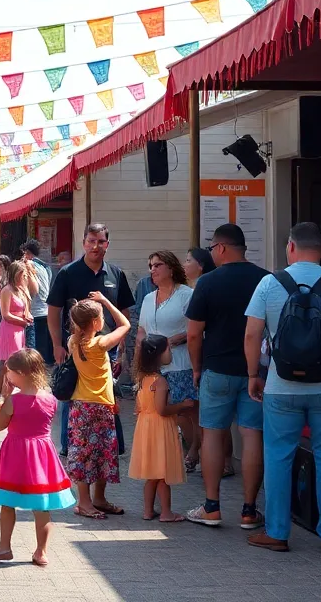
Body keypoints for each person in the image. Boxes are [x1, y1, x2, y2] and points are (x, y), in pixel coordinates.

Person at [245, 222, 321, 553]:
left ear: (290, 247)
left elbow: (252, 334)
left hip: (281, 388)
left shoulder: (269, 284)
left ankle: (278, 532)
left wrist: (254, 373)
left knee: (279, 456)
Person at [184, 223, 269, 529]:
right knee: (252, 435)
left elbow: (194, 334)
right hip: (256, 374)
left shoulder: (208, 282)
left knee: (212, 435)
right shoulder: (266, 279)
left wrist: (196, 367)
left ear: (220, 248)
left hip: (216, 368)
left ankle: (211, 507)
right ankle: (248, 510)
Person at [0, 349, 75, 567]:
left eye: (10, 372)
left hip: (16, 453)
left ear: (21, 373)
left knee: (7, 501)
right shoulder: (50, 398)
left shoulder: (14, 400)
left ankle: (4, 546)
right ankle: (41, 551)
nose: (7, 376)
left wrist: (3, 398)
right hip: (42, 454)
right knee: (42, 505)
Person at [47, 223, 135, 456]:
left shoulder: (116, 273)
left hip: (109, 347)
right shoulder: (68, 272)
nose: (96, 246)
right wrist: (56, 344)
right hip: (77, 348)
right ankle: (70, 445)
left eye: (101, 241)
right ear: (83, 242)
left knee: (107, 394)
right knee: (71, 393)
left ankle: (107, 445)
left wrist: (123, 347)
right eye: (91, 241)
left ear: (108, 244)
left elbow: (124, 312)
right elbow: (53, 310)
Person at [66, 297, 129, 519]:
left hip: (84, 407)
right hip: (96, 407)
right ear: (95, 322)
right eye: (101, 317)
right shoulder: (99, 344)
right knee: (97, 453)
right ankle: (85, 503)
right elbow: (125, 325)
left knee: (91, 453)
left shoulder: (73, 341)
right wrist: (108, 303)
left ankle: (97, 500)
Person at [136, 251, 199, 471]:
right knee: (172, 411)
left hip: (181, 361)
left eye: (158, 265)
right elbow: (142, 331)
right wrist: (140, 361)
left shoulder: (186, 295)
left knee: (189, 410)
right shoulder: (147, 298)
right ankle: (188, 448)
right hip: (155, 365)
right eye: (150, 265)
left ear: (171, 269)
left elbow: (196, 328)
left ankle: (194, 450)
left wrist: (172, 340)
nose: (152, 269)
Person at [129, 334, 191, 522]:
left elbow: (138, 407)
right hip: (160, 429)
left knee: (152, 476)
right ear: (159, 355)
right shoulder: (160, 382)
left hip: (146, 428)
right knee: (163, 474)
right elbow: (162, 409)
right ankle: (166, 512)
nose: (170, 352)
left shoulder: (142, 380)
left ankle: (148, 511)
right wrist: (183, 406)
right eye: (168, 349)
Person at [0, 260, 34, 397]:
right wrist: (22, 321)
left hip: (20, 329)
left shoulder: (21, 290)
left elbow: (26, 309)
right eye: (22, 275)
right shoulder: (7, 290)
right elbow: (5, 314)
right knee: (11, 362)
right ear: (15, 274)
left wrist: (27, 317)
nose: (24, 278)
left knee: (15, 361)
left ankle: (5, 391)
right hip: (10, 329)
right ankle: (5, 393)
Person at [20, 240, 53, 364]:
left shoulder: (28, 266)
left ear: (27, 253)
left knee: (35, 346)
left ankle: (37, 370)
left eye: (23, 253)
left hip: (34, 310)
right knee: (44, 344)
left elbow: (30, 289)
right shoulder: (46, 266)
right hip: (47, 308)